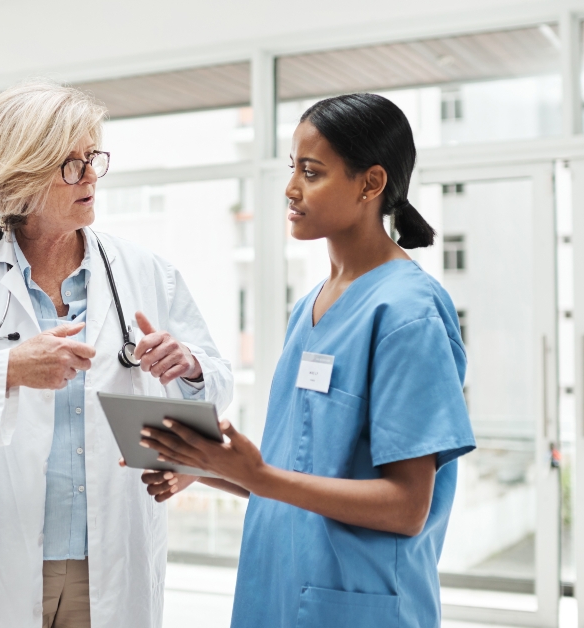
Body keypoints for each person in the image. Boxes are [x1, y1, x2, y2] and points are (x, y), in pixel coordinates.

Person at [0, 80, 233, 628]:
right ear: (18, 175)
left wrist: (189, 366)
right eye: (70, 164)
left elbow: (216, 387)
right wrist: (8, 371)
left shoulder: (146, 273)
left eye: (93, 157)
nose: (90, 175)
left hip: (112, 560)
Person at [137, 93, 476, 628]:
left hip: (357, 606)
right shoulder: (310, 307)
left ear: (371, 183)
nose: (291, 188)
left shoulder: (408, 311)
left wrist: (257, 475)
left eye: (311, 172)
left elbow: (407, 507)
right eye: (292, 167)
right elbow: (295, 476)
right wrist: (203, 466)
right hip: (275, 591)